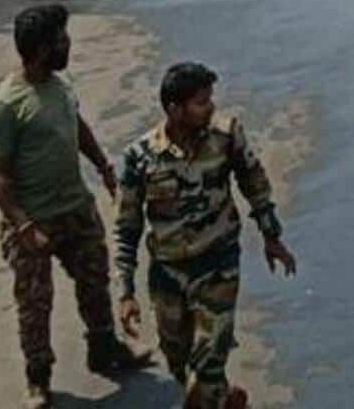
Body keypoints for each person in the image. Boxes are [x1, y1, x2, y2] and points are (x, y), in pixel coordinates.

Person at [0, 5, 152, 408]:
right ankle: (38, 380)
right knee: (35, 305)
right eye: (60, 39)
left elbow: (76, 126)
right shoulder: (7, 105)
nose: (67, 44)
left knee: (95, 282)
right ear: (40, 48)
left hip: (75, 207)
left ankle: (104, 349)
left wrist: (104, 167)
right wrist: (24, 227)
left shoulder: (61, 84)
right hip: (32, 220)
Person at [113, 63, 296, 409]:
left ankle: (213, 394)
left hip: (217, 266)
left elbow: (254, 183)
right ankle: (226, 400)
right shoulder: (141, 157)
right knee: (180, 363)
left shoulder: (226, 137)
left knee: (206, 369)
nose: (210, 108)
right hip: (167, 274)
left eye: (210, 99)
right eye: (200, 102)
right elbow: (127, 226)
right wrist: (125, 290)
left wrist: (272, 237)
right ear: (174, 109)